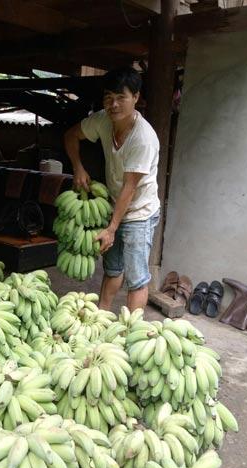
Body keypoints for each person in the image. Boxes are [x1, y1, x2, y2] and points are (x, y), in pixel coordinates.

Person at [64, 66, 160, 311]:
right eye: (109, 98)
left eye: (121, 98)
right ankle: (102, 317)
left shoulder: (143, 139)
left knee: (137, 277)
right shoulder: (102, 120)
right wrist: (78, 168)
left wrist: (112, 228)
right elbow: (71, 135)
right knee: (113, 267)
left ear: (136, 98)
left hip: (139, 210)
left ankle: (134, 333)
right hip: (114, 204)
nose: (114, 104)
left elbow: (130, 187)